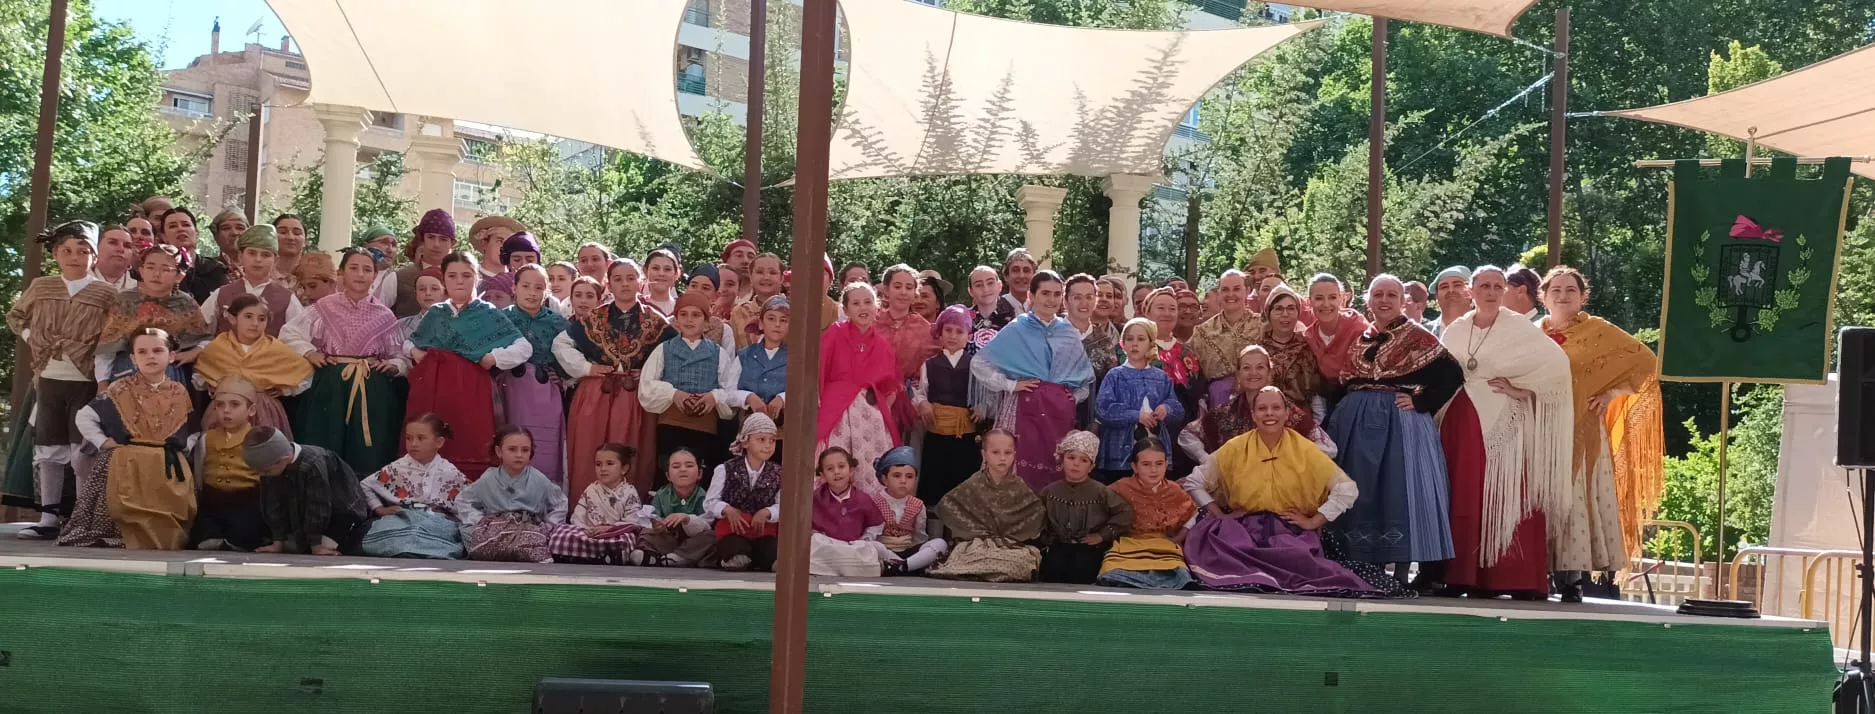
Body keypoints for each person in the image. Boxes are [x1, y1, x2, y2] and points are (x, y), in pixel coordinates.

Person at [1439, 266, 1575, 601]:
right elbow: (1441, 371)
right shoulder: (1455, 330)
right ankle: (1463, 577)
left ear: (1504, 291)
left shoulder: (1517, 327)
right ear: (1471, 290)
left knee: (1511, 495)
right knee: (1464, 497)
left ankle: (1516, 579)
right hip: (1461, 420)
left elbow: (1556, 366)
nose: (1490, 291)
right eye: (1483, 285)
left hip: (1506, 424)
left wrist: (1521, 389)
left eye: (1497, 286)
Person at [1183, 386, 1396, 596]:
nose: (1269, 414)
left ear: (1286, 414)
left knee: (1295, 559)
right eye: (1262, 409)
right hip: (1244, 528)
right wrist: (1219, 514)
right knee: (1222, 554)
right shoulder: (1235, 448)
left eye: (1276, 408)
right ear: (1254, 415)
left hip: (1289, 530)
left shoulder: (1306, 450)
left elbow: (1347, 489)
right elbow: (1194, 482)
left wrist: (1314, 522)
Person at [1322, 276, 1463, 587]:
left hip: (1400, 422)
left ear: (1403, 301)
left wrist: (1422, 401)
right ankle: (1360, 564)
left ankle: (1401, 568)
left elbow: (1452, 373)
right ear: (1368, 301)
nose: (1384, 300)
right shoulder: (1362, 338)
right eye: (1378, 294)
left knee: (1399, 487)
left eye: (1391, 295)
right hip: (1357, 424)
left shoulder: (1419, 337)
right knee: (1361, 490)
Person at [1537, 266, 1660, 595]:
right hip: (1539, 433)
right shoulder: (1532, 333)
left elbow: (1646, 359)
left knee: (1575, 500)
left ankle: (1572, 579)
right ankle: (1537, 574)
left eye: (1570, 290)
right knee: (1541, 499)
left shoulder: (1599, 332)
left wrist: (1612, 393)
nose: (1563, 296)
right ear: (1543, 296)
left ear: (1582, 296)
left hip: (1582, 431)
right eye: (1556, 290)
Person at [7, 221, 117, 539]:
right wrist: (33, 337)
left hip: (84, 379)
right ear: (56, 254)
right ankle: (48, 517)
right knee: (48, 445)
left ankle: (83, 517)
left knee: (80, 448)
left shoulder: (105, 294)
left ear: (94, 256)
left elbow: (112, 334)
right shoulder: (42, 287)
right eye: (67, 251)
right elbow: (16, 315)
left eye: (83, 251)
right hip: (49, 378)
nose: (75, 257)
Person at [283, 248, 409, 474]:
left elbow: (400, 355)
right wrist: (309, 352)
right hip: (330, 386)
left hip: (372, 390)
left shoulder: (384, 315)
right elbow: (289, 333)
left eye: (367, 269)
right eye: (353, 268)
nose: (360, 274)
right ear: (341, 273)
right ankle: (321, 498)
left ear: (374, 275)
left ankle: (365, 501)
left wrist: (393, 366)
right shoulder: (324, 307)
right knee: (324, 443)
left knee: (367, 450)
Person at [407, 252, 531, 478]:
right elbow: (409, 342)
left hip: (472, 393)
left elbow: (523, 347)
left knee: (468, 443)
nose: (459, 281)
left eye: (466, 275)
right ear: (444, 279)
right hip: (434, 393)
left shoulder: (488, 313)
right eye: (452, 275)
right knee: (431, 442)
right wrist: (414, 352)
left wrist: (494, 357)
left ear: (477, 278)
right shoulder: (437, 313)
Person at [557, 258, 674, 498]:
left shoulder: (656, 321)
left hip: (634, 397)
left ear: (640, 282)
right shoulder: (592, 318)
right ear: (608, 284)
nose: (625, 284)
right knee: (589, 447)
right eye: (618, 279)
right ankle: (585, 508)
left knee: (629, 450)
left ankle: (627, 511)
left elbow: (671, 354)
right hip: (596, 394)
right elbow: (561, 344)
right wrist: (587, 368)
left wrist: (650, 373)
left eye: (631, 278)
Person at [70, 329, 196, 549]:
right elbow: (84, 415)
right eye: (143, 352)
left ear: (171, 356)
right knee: (121, 516)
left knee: (169, 521)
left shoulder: (179, 391)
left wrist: (183, 453)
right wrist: (102, 441)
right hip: (126, 462)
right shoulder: (119, 388)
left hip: (165, 465)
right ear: (133, 358)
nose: (150, 356)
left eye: (157, 350)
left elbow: (192, 428)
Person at [972, 271, 1094, 490]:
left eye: (1057, 294)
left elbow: (1084, 379)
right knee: (1015, 468)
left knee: (1055, 468)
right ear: (1031, 295)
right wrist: (1011, 385)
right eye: (1045, 293)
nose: (1051, 299)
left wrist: (1072, 398)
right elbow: (979, 363)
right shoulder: (1018, 328)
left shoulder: (1068, 332)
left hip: (1059, 412)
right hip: (1022, 407)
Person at [816, 284, 904, 495]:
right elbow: (819, 370)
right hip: (835, 408)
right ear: (845, 309)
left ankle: (871, 515)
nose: (862, 308)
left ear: (877, 307)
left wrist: (882, 413)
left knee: (871, 463)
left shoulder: (882, 343)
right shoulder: (834, 334)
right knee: (834, 459)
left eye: (868, 302)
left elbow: (890, 386)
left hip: (870, 412)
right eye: (855, 303)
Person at [640, 291, 733, 487]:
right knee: (669, 472)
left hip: (705, 428)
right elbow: (647, 385)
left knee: (700, 474)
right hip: (670, 426)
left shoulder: (719, 354)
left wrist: (713, 397)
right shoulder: (663, 350)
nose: (689, 320)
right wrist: (674, 394)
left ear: (707, 322)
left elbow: (731, 389)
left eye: (696, 315)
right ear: (676, 320)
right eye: (683, 314)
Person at [927, 431, 1044, 582]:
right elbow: (948, 505)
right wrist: (976, 532)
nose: (1002, 458)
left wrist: (1010, 536)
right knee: (965, 555)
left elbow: (1036, 512)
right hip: (977, 545)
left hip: (1009, 546)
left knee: (1022, 560)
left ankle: (981, 572)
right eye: (995, 452)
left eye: (1007, 453)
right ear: (984, 454)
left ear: (1014, 454)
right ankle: (990, 572)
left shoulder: (1019, 487)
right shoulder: (974, 484)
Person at [194, 294, 313, 437]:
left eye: (261, 319)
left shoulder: (276, 349)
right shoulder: (218, 347)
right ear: (233, 318)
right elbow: (203, 372)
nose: (255, 323)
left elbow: (304, 372)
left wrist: (284, 390)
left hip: (263, 410)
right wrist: (214, 385)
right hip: (224, 409)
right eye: (248, 317)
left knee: (261, 450)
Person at [359, 414, 474, 559]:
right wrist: (379, 508)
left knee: (443, 533)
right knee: (397, 532)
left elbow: (468, 497)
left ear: (438, 442)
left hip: (437, 520)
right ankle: (407, 550)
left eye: (421, 438)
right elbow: (366, 485)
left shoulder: (449, 471)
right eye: (409, 438)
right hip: (403, 517)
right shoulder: (397, 468)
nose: (413, 443)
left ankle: (429, 553)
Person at [244, 425, 371, 555]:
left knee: (316, 549)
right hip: (301, 517)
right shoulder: (270, 468)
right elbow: (273, 503)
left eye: (265, 471)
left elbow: (318, 506)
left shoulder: (313, 463)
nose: (262, 474)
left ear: (283, 460)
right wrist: (278, 541)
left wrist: (316, 545)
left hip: (339, 515)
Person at [95, 245, 212, 384]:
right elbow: (108, 348)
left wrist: (193, 352)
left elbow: (205, 338)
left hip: (169, 369)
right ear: (142, 271)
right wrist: (102, 383)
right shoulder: (125, 301)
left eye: (165, 269)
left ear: (179, 275)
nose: (156, 274)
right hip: (128, 367)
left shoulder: (185, 303)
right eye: (150, 267)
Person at [499, 265, 571, 486]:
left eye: (539, 287)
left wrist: (562, 377)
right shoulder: (499, 319)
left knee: (546, 448)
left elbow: (572, 358)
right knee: (511, 442)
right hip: (510, 391)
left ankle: (546, 499)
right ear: (514, 287)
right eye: (526, 286)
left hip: (546, 394)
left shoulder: (557, 322)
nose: (532, 293)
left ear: (546, 290)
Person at [1095, 438, 1196, 589]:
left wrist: (1179, 536)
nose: (1153, 470)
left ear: (1166, 464)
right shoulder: (1120, 488)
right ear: (1134, 467)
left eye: (1159, 464)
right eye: (1146, 464)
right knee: (1112, 574)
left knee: (1180, 575)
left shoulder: (1175, 490)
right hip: (1128, 544)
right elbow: (1097, 507)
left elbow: (1193, 513)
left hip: (1164, 545)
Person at [1094, 318, 1184, 483]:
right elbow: (1103, 409)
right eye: (1130, 339)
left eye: (1141, 339)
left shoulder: (1161, 377)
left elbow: (1177, 408)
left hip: (1155, 446)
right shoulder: (1115, 375)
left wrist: (1166, 408)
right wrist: (1135, 416)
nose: (1135, 344)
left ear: (1151, 343)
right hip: (1120, 450)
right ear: (1123, 344)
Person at [1202, 345, 1334, 456]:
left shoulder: (1288, 411)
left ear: (1269, 374)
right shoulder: (1225, 412)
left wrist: (1292, 459)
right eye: (1246, 368)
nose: (1253, 373)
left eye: (1260, 367)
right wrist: (1208, 460)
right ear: (1238, 375)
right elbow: (1189, 435)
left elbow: (1329, 447)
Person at [1037, 431, 1132, 584]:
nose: (1076, 464)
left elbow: (1124, 513)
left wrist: (1102, 535)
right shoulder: (1050, 491)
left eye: (1083, 460)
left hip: (1089, 549)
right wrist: (1047, 539)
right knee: (1051, 570)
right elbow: (1037, 518)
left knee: (1082, 569)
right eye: (1071, 458)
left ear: (1091, 466)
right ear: (1063, 460)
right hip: (1058, 547)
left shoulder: (1101, 491)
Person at [461, 426, 567, 562]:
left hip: (528, 526)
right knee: (470, 536)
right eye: (512, 449)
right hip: (494, 528)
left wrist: (549, 525)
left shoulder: (539, 479)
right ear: (499, 451)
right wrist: (478, 519)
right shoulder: (488, 479)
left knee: (534, 544)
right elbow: (463, 500)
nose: (519, 455)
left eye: (525, 450)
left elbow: (560, 503)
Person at [912, 305, 983, 502]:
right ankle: (934, 530)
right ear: (940, 334)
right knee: (934, 485)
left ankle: (960, 532)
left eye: (959, 331)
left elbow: (985, 395)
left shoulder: (976, 364)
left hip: (965, 436)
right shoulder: (929, 364)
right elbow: (920, 393)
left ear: (969, 336)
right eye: (948, 330)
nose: (953, 336)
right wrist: (923, 404)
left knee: (964, 486)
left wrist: (982, 407)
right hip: (937, 434)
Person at [188, 379, 269, 551]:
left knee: (243, 538)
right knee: (204, 540)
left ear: (251, 410)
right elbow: (199, 473)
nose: (226, 411)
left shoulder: (257, 439)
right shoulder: (206, 439)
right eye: (220, 405)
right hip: (213, 503)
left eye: (234, 405)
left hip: (246, 503)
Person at [707, 415, 783, 572]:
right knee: (737, 556)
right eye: (761, 439)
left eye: (772, 440)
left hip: (763, 533)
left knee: (775, 557)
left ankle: (759, 559)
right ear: (746, 441)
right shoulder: (725, 469)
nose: (768, 445)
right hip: (733, 531)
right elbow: (710, 502)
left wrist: (767, 512)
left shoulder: (779, 473)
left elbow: (783, 505)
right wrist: (727, 510)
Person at [549, 444, 646, 565]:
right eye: (598, 464)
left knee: (628, 539)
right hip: (589, 533)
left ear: (624, 468)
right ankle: (587, 556)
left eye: (609, 464)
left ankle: (606, 556)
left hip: (614, 534)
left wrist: (610, 529)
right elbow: (579, 514)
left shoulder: (629, 492)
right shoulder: (591, 489)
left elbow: (633, 521)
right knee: (561, 532)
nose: (603, 468)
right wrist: (585, 529)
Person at [1140, 287, 1202, 469]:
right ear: (1147, 311)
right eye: (1161, 308)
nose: (1167, 313)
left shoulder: (1188, 353)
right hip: (1143, 428)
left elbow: (1196, 396)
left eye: (1172, 308)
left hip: (1180, 433)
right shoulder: (1133, 348)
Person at [809, 447, 891, 577]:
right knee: (815, 541)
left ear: (851, 470)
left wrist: (864, 540)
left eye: (841, 466)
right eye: (830, 469)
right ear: (823, 475)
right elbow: (807, 526)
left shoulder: (862, 498)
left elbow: (876, 524)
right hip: (828, 547)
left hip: (854, 547)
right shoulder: (815, 498)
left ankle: (901, 564)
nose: (836, 472)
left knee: (875, 547)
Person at [871, 446, 951, 576]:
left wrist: (919, 553)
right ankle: (904, 566)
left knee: (939, 543)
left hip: (908, 551)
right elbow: (870, 534)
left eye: (909, 477)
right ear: (885, 479)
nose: (903, 481)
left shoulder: (917, 505)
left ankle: (902, 566)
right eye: (897, 476)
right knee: (873, 546)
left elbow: (919, 537)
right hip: (884, 550)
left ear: (915, 480)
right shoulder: (874, 502)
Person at [637, 448, 716, 567]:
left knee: (712, 536)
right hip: (668, 539)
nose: (683, 469)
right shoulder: (661, 494)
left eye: (689, 465)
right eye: (676, 466)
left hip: (693, 541)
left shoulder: (704, 496)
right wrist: (657, 525)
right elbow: (651, 517)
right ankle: (651, 555)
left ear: (699, 474)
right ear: (668, 476)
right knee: (645, 533)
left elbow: (706, 524)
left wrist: (687, 518)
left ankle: (680, 556)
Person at [728, 295, 790, 435]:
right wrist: (749, 397)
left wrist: (783, 398)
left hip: (784, 434)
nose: (777, 324)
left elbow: (806, 392)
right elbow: (728, 393)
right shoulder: (745, 355)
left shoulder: (796, 358)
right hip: (750, 431)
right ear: (761, 323)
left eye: (784, 320)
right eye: (771, 318)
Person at [380, 209, 457, 318]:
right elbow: (378, 319)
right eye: (431, 237)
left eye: (443, 239)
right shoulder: (397, 279)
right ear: (422, 239)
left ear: (452, 243)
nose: (436, 244)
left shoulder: (461, 279)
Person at [1064, 273, 1119, 423]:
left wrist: (1098, 422)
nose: (1084, 303)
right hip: (1053, 413)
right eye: (1077, 297)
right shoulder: (1052, 335)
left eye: (1089, 297)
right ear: (1066, 300)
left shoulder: (1105, 342)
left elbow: (1110, 387)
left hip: (1091, 418)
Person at [1190, 270, 1262, 382]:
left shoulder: (1263, 325)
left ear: (1247, 291)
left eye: (1237, 289)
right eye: (1225, 290)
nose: (1231, 294)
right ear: (1219, 294)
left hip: (1259, 395)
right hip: (1217, 397)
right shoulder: (1202, 332)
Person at [875, 264, 937, 388]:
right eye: (897, 287)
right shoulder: (872, 321)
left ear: (915, 293)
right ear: (887, 290)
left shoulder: (925, 329)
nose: (903, 292)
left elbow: (931, 366)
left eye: (909, 288)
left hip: (908, 394)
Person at [1304, 273, 1368, 390]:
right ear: (1309, 302)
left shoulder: (1359, 329)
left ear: (1341, 299)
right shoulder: (1309, 337)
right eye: (1319, 298)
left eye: (1332, 297)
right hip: (1325, 396)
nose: (1326, 304)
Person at [162, 208, 225, 302]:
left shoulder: (215, 269)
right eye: (173, 226)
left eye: (186, 225)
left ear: (197, 233)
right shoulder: (159, 270)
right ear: (163, 237)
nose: (180, 229)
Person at [729, 253, 785, 349]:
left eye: (772, 273)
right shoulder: (739, 312)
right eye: (759, 272)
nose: (766, 277)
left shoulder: (792, 311)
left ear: (781, 278)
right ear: (751, 276)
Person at [468, 216, 524, 286]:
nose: (504, 247)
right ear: (484, 244)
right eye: (500, 241)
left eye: (509, 242)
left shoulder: (518, 281)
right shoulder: (469, 277)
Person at [965, 265, 1014, 344]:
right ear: (971, 291)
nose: (985, 289)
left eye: (990, 283)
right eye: (978, 285)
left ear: (999, 286)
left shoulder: (1014, 318)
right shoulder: (964, 320)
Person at [92, 224, 138, 292]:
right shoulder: (77, 281)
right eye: (113, 242)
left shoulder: (142, 289)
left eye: (127, 246)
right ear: (96, 247)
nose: (121, 249)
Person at [1428, 266, 1472, 336]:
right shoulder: (1423, 333)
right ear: (1436, 296)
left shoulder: (1488, 329)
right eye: (1444, 287)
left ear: (1471, 292)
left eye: (1457, 285)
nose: (1451, 290)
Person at [271, 214, 309, 287]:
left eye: (297, 233)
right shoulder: (261, 273)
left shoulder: (314, 275)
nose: (290, 237)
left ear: (305, 241)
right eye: (283, 232)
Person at [642, 248, 681, 316]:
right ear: (645, 271)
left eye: (667, 269)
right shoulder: (637, 306)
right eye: (655, 268)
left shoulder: (684, 308)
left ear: (676, 274)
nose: (661, 273)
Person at [1244, 247, 1283, 313]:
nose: (1256, 276)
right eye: (1252, 272)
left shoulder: (1294, 301)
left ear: (1276, 271)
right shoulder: (1244, 304)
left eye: (1262, 271)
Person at [1000, 249, 1036, 315]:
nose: (1021, 276)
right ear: (1006, 276)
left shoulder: (1041, 306)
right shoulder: (997, 307)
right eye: (1015, 270)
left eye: (1026, 270)